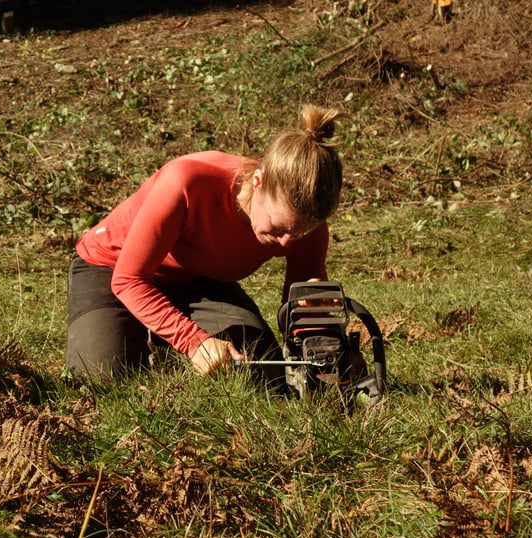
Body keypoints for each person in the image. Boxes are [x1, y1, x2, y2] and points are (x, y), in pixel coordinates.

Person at [65, 104, 344, 384]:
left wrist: (328, 357)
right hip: (112, 269)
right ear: (258, 181)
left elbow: (305, 312)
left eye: (297, 232)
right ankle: (155, 336)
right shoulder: (188, 182)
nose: (286, 241)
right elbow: (128, 280)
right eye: (278, 226)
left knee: (262, 374)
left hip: (198, 279)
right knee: (103, 376)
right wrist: (193, 340)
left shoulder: (306, 227)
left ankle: (164, 338)